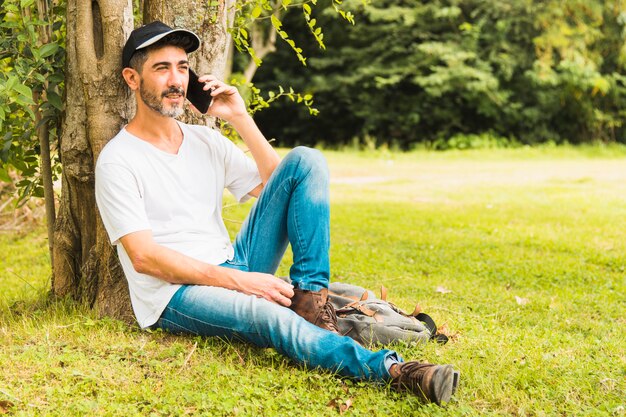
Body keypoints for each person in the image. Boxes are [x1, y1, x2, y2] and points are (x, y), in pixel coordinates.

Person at [95, 21, 459, 405]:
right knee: (268, 318)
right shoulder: (118, 160)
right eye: (162, 68)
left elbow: (279, 189)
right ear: (132, 78)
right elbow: (145, 258)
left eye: (183, 67)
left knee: (306, 161)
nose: (176, 79)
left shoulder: (204, 139)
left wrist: (238, 117)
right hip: (175, 294)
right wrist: (243, 284)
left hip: (234, 261)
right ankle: (394, 371)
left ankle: (311, 302)